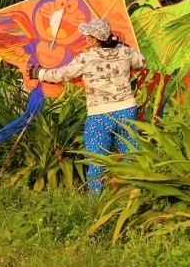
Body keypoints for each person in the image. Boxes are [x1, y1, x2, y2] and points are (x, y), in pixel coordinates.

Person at [27, 18, 146, 194]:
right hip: (126, 110)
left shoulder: (86, 58)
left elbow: (62, 74)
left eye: (88, 36)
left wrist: (39, 73)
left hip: (100, 115)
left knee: (97, 160)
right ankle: (134, 196)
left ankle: (95, 202)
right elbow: (142, 62)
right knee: (130, 156)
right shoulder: (125, 52)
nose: (86, 39)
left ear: (96, 39)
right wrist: (122, 47)